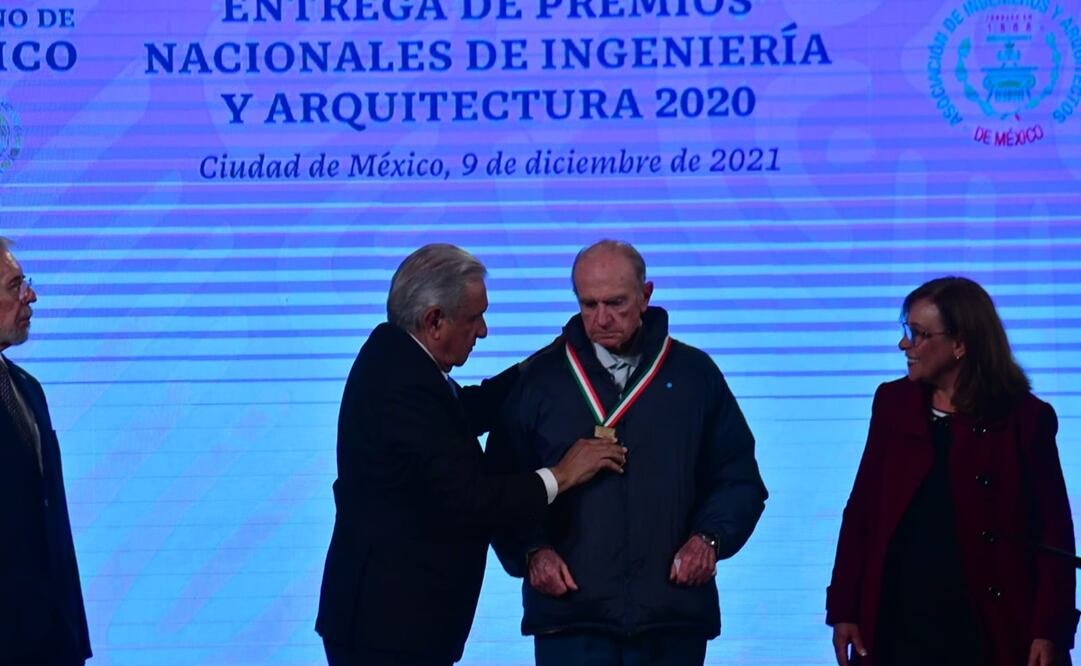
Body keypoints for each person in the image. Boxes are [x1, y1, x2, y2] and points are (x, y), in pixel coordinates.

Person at [315, 243, 628, 666]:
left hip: (392, 620)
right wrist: (562, 474)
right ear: (434, 321)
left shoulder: (397, 356)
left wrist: (547, 362)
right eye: (474, 318)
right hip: (389, 627)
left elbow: (464, 410)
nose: (483, 331)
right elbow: (471, 500)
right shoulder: (402, 386)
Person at [487, 240, 768, 665]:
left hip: (671, 617)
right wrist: (530, 552)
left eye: (616, 303)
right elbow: (499, 486)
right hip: (570, 617)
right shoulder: (538, 380)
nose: (601, 319)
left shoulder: (695, 375)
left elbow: (739, 479)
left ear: (646, 295)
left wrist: (709, 539)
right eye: (589, 304)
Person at [826, 276, 1077, 666]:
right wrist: (844, 608)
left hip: (984, 624)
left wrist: (1050, 628)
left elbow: (1054, 532)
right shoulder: (893, 404)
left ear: (961, 344)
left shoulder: (1025, 419)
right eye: (907, 330)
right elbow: (862, 512)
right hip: (898, 623)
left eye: (919, 334)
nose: (905, 344)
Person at [0, 238, 92, 666]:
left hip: (53, 643)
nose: (30, 295)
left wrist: (75, 635)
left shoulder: (28, 389)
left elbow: (50, 518)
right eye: (15, 285)